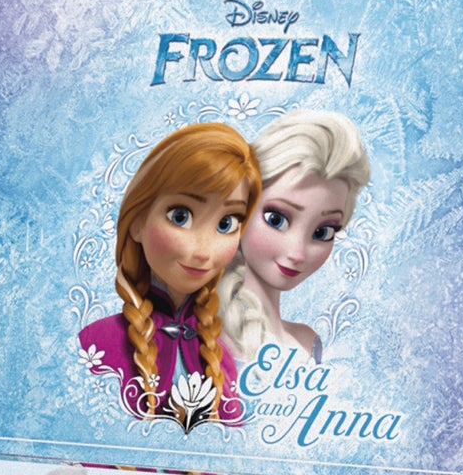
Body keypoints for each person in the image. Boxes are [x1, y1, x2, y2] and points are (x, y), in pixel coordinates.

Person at [77, 122, 262, 429]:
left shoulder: (221, 358)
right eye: (181, 216)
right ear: (137, 221)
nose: (204, 251)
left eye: (226, 223)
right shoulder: (97, 346)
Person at [218, 111, 371, 364]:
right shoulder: (197, 337)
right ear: (242, 206)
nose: (297, 253)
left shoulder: (309, 342)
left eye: (322, 232)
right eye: (276, 219)